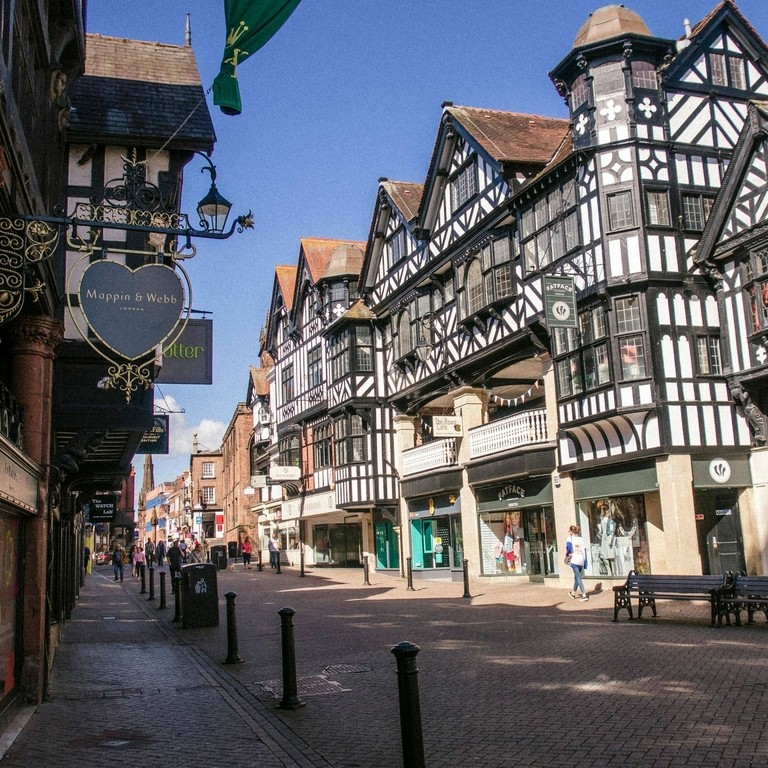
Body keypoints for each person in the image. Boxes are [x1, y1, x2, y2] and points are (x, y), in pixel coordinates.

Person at [565, 525, 588, 601]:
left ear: (571, 532)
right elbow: (584, 550)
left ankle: (584, 594)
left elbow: (568, 547)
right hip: (581, 559)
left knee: (578, 578)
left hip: (574, 559)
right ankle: (573, 593)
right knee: (577, 577)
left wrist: (568, 554)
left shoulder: (570, 538)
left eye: (569, 531)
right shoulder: (581, 539)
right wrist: (585, 561)